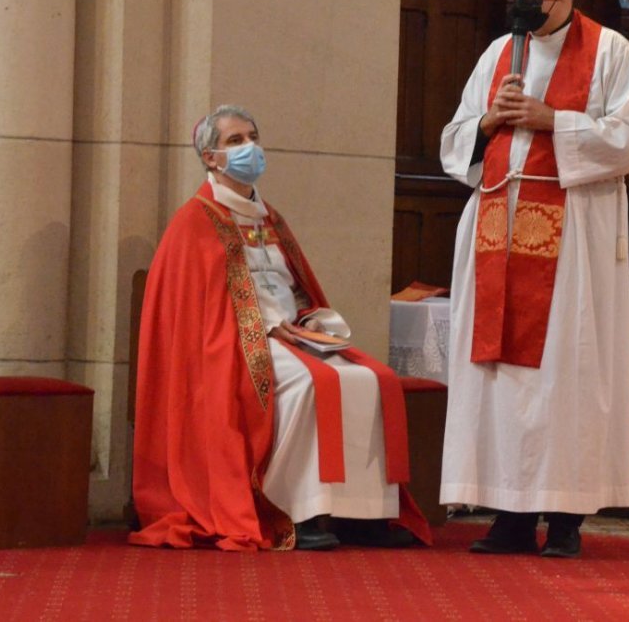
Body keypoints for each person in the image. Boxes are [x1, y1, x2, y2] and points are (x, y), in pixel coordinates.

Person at [130, 104, 430, 552]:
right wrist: (269, 328)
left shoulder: (269, 218)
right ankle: (301, 512)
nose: (249, 147)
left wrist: (310, 320)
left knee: (371, 379)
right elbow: (198, 314)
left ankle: (364, 515)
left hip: (295, 336)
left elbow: (298, 286)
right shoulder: (194, 222)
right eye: (235, 141)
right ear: (210, 158)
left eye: (252, 136)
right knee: (314, 383)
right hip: (232, 348)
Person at [439, 0, 629, 557]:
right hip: (494, 238)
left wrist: (550, 119)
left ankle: (563, 518)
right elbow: (453, 139)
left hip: (571, 247)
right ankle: (508, 516)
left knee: (565, 375)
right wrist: (487, 124)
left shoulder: (610, 52)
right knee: (500, 379)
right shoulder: (497, 53)